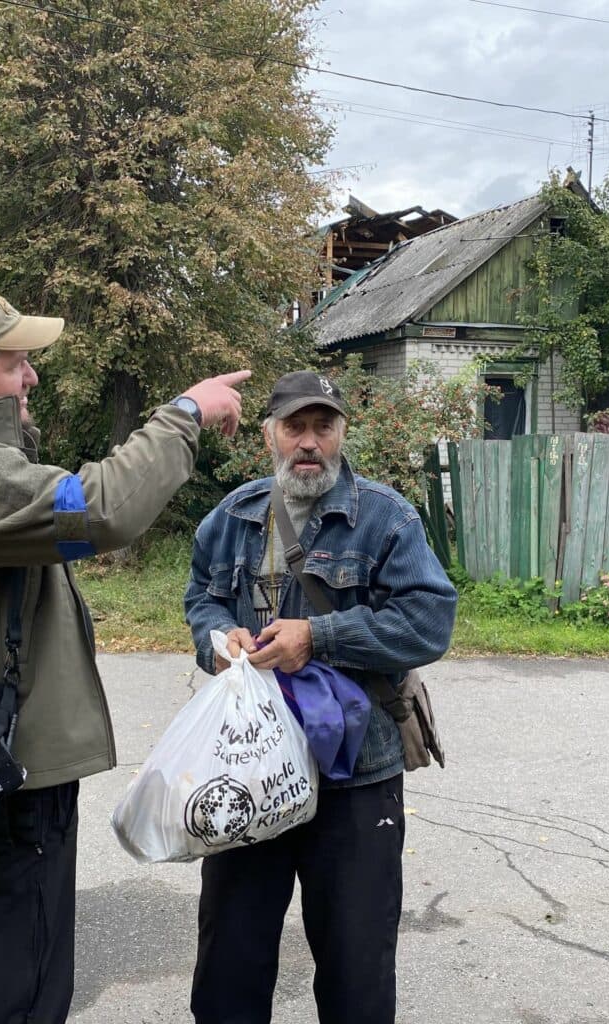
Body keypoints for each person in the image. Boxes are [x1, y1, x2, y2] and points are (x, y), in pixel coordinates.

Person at [0, 281, 249, 1024]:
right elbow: (97, 512)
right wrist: (185, 414)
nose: (33, 376)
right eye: (15, 366)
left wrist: (14, 424)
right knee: (19, 991)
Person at [183, 370, 458, 1024]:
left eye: (323, 427)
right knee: (230, 963)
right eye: (294, 427)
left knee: (356, 969)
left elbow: (429, 623)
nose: (309, 442)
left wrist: (321, 635)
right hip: (250, 769)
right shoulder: (230, 517)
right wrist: (218, 639)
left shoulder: (386, 517)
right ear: (268, 433)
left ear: (340, 433)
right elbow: (202, 597)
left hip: (358, 778)